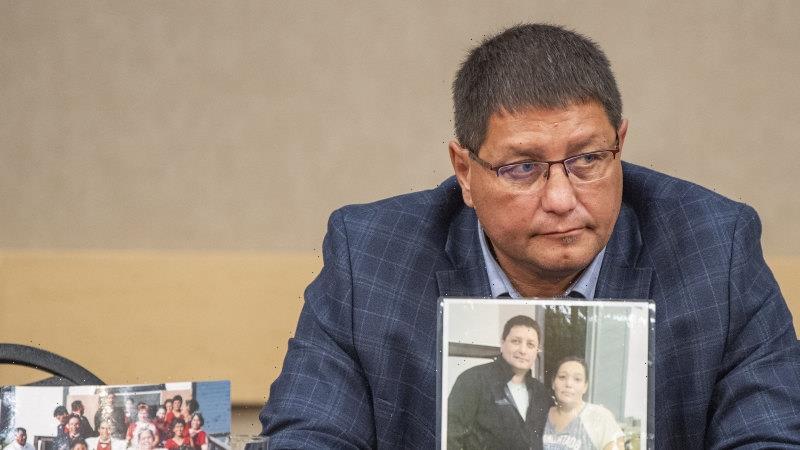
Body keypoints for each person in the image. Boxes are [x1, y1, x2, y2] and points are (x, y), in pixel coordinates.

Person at [260, 23, 800, 448]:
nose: (561, 198)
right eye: (522, 167)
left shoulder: (716, 250)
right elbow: (310, 434)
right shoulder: (371, 259)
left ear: (620, 143)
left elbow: (772, 436)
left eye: (588, 159)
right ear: (465, 171)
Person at [447, 315, 552, 449]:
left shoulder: (541, 392)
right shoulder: (473, 380)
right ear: (502, 343)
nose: (523, 350)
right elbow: (450, 437)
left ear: (536, 351)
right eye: (516, 341)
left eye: (530, 345)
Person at [543, 357, 624, 450]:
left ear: (585, 386)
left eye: (577, 379)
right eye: (562, 377)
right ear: (553, 383)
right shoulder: (542, 415)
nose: (568, 384)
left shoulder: (600, 416)